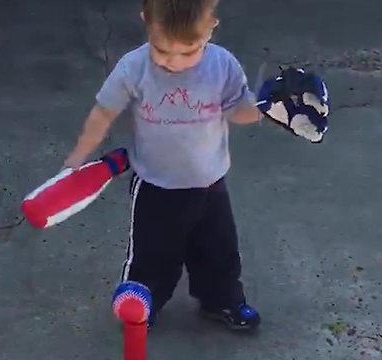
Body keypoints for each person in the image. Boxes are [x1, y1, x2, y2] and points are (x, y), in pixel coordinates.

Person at [64, 0, 267, 331]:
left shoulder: (222, 65)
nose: (174, 63)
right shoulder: (134, 67)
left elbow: (238, 112)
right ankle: (143, 303)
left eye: (189, 52)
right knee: (152, 256)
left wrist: (264, 106)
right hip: (157, 186)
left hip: (210, 183)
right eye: (162, 50)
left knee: (220, 250)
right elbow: (104, 112)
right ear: (146, 20)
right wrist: (79, 155)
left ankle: (222, 301)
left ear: (211, 26)